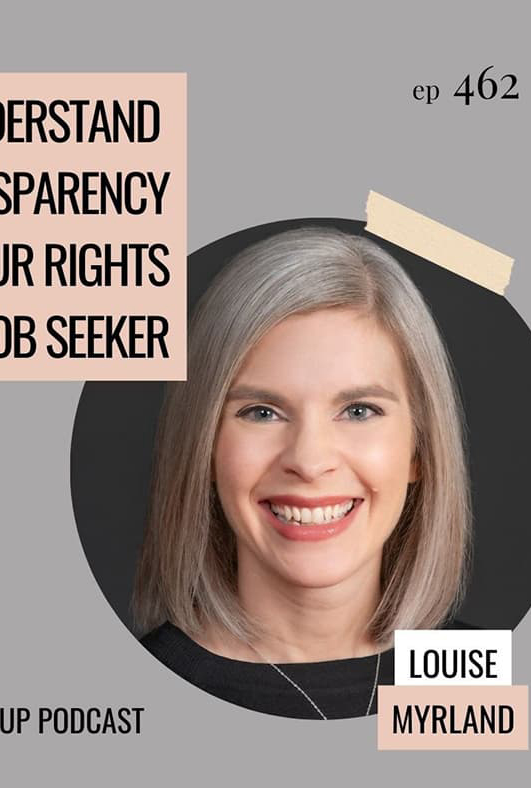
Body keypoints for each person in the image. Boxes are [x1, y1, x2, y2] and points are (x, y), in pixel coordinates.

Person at [134, 227, 471, 720]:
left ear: (419, 448)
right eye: (261, 412)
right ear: (203, 446)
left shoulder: (480, 680)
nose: (310, 462)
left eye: (358, 411)